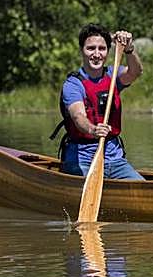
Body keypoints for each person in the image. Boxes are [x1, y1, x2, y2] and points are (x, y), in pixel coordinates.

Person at [52, 23, 144, 180]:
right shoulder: (73, 84)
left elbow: (136, 72)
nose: (96, 54)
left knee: (140, 187)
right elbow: (78, 116)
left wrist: (129, 49)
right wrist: (93, 130)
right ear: (82, 50)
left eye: (102, 49)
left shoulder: (113, 74)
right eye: (90, 48)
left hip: (114, 159)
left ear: (108, 51)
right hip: (82, 159)